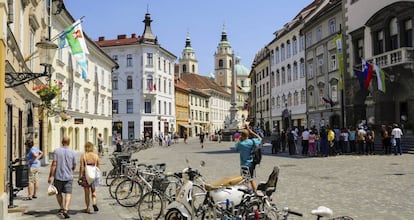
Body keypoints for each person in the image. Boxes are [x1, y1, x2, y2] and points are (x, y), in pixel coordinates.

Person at [48, 136, 76, 219]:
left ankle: (61, 207)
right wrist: (71, 170)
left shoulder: (56, 151)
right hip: (69, 176)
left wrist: (51, 176)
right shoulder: (72, 152)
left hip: (58, 176)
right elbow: (74, 165)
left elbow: (54, 164)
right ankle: (66, 208)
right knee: (68, 193)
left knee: (58, 192)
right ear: (69, 142)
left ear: (62, 142)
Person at [79, 142, 100, 213]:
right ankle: (94, 203)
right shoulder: (96, 156)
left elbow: (81, 167)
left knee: (86, 193)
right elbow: (98, 167)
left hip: (86, 175)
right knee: (93, 191)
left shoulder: (83, 156)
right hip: (93, 175)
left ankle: (87, 208)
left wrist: (80, 176)